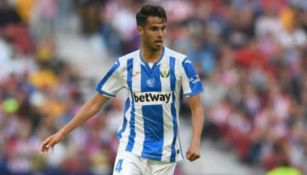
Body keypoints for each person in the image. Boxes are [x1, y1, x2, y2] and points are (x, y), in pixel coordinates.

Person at [40, 4, 205, 175]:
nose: (160, 34)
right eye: (154, 29)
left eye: (163, 28)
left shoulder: (180, 63)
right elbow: (95, 103)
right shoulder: (125, 65)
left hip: (164, 154)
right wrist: (62, 132)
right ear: (140, 30)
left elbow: (197, 107)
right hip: (131, 149)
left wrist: (195, 142)